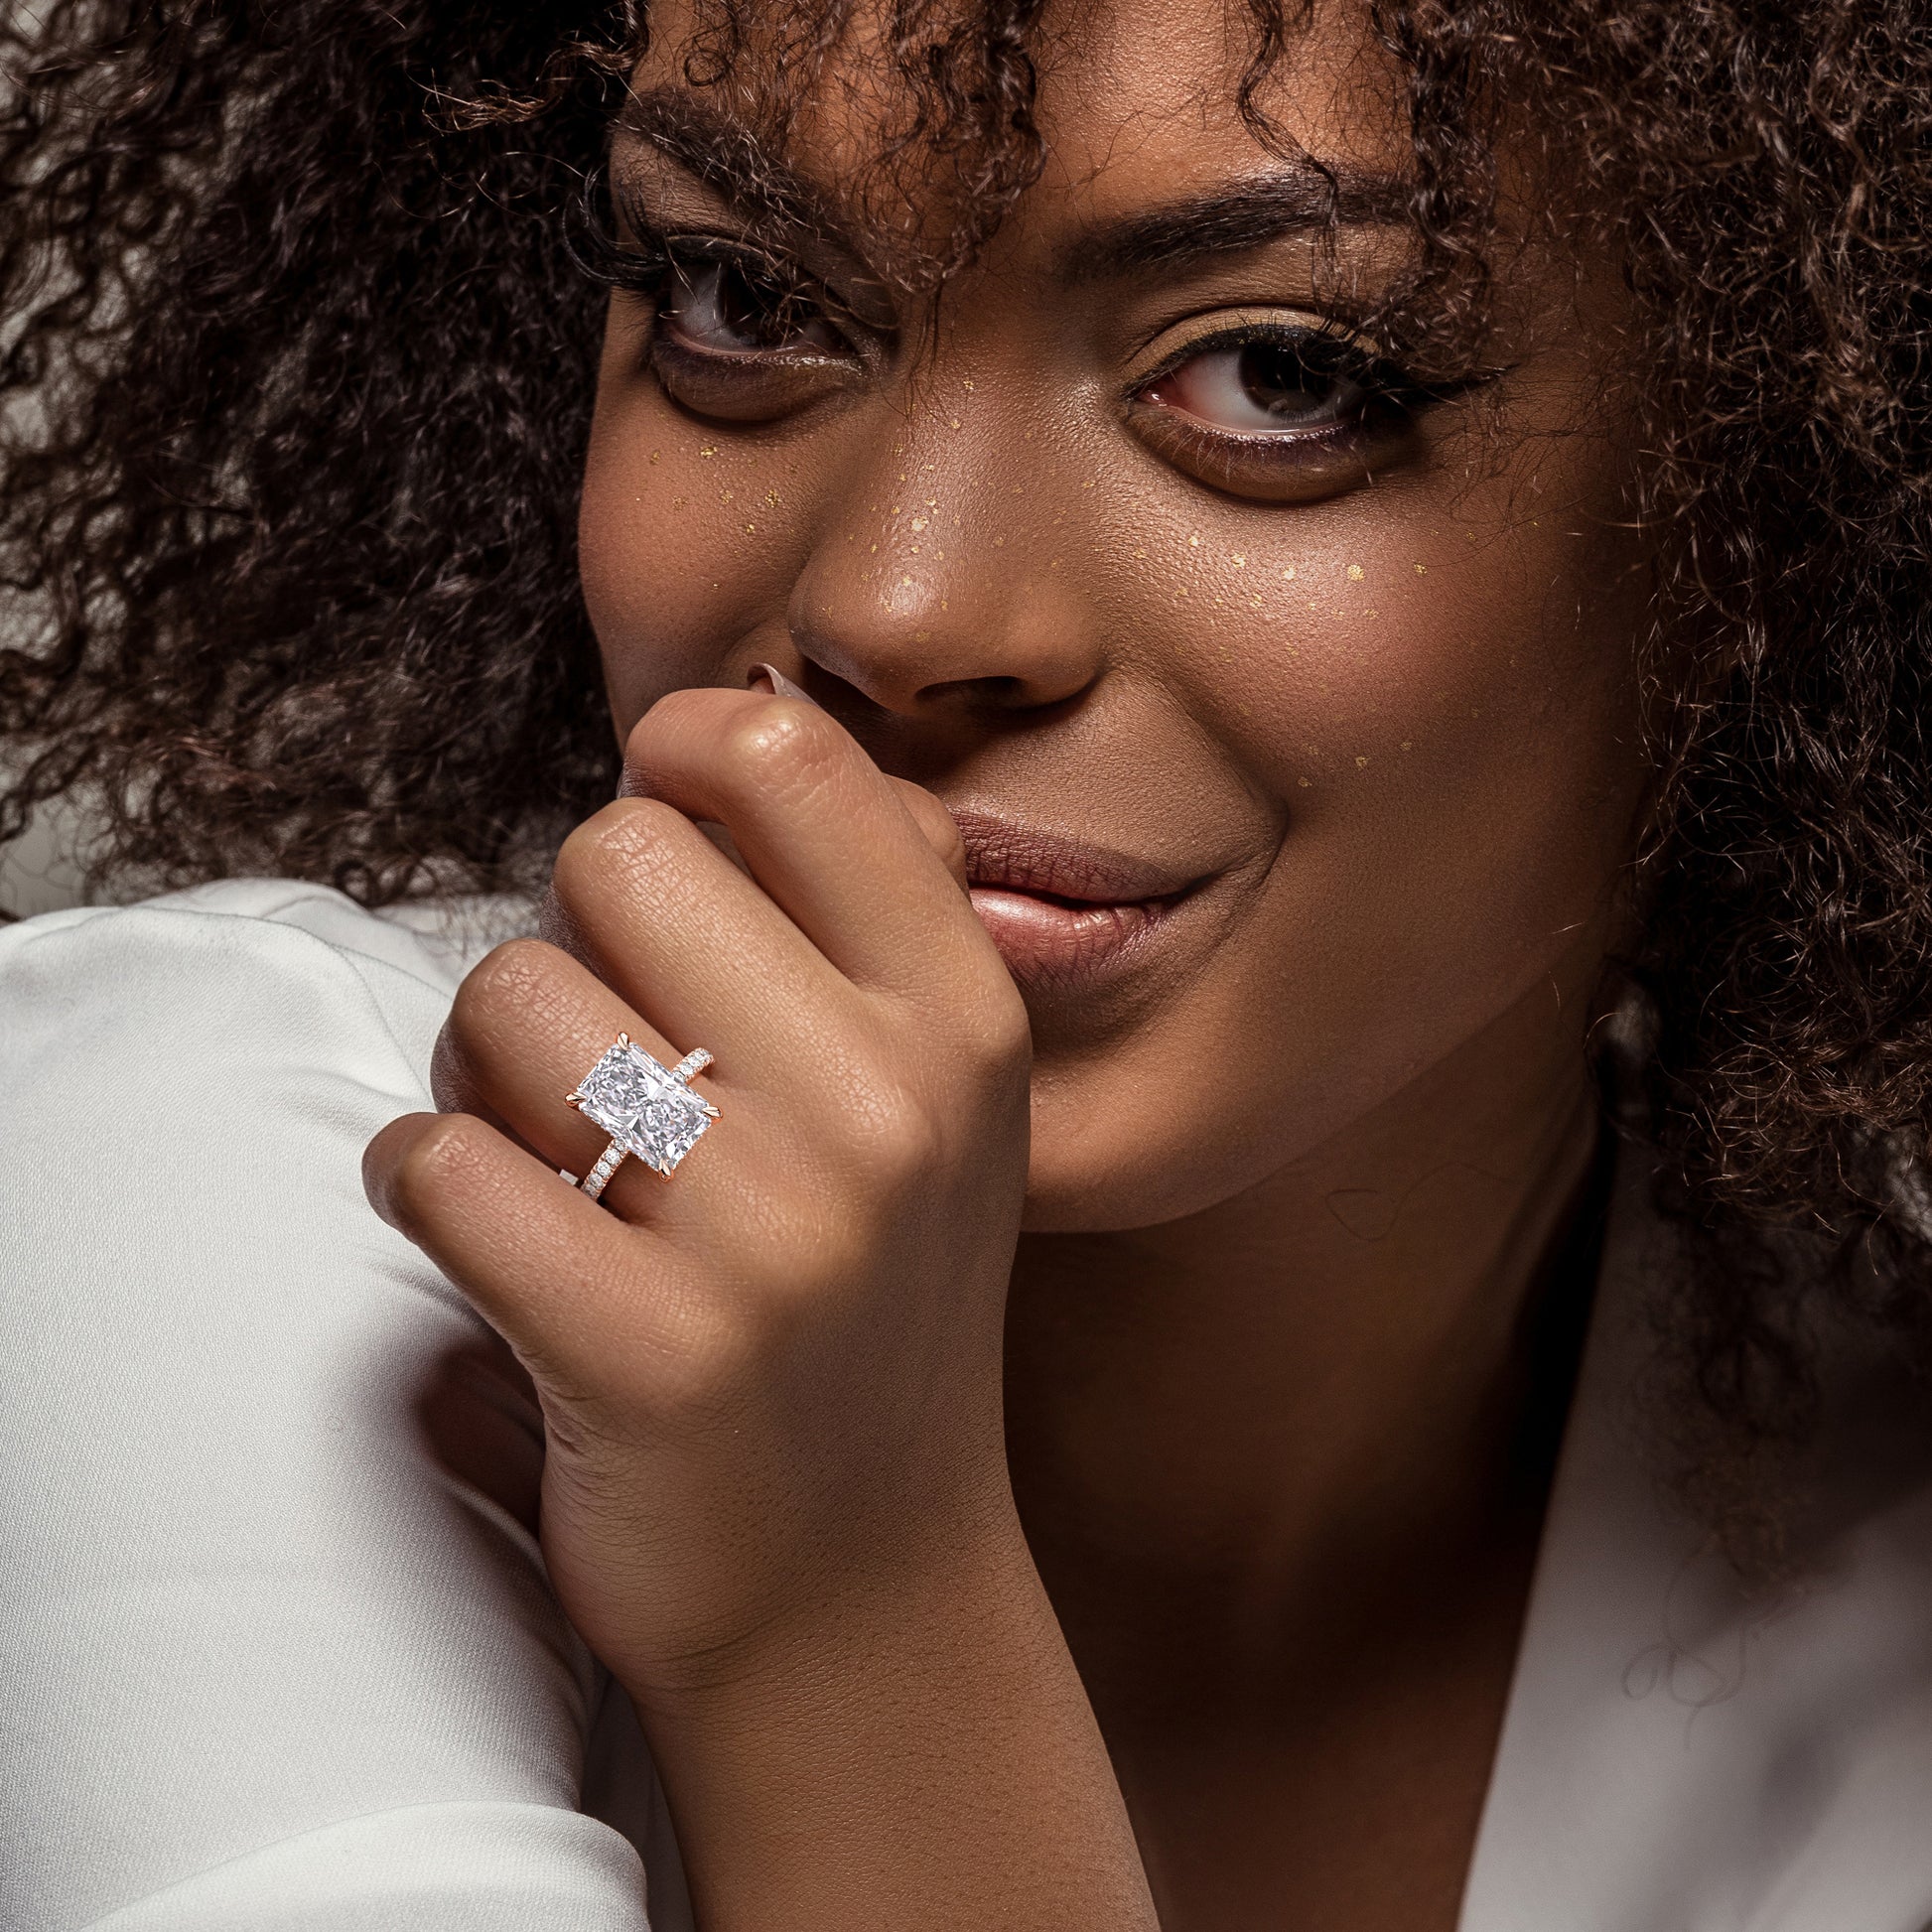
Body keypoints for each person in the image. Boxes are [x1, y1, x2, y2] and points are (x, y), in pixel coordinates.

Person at [4, 1, 1931, 1926]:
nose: (894, 605)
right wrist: (843, 1610)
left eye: (1275, 373)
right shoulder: (196, 1202)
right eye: (742, 296)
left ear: (1772, 498)